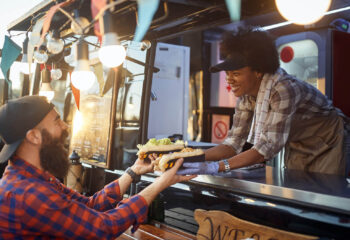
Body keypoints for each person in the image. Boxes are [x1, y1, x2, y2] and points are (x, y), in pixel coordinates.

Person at [0, 95, 196, 239]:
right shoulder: (29, 193)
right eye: (56, 120)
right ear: (34, 136)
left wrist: (132, 172)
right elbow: (101, 229)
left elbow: (90, 205)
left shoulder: (32, 179)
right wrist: (160, 183)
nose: (65, 126)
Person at [178, 26, 349, 176]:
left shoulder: (283, 89)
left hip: (329, 142)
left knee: (325, 195)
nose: (229, 80)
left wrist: (216, 167)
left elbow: (264, 150)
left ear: (258, 71)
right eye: (228, 74)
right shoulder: (246, 97)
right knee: (300, 194)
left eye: (236, 73)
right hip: (298, 144)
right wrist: (191, 156)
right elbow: (232, 144)